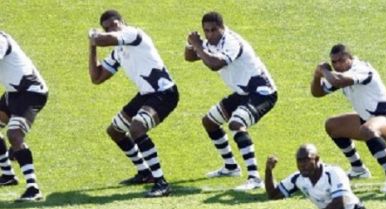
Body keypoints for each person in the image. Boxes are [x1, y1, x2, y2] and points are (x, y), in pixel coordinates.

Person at [88, 9, 178, 197]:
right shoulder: (118, 51)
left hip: (164, 92)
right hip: (146, 94)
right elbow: (96, 78)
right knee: (115, 131)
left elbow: (105, 39)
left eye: (114, 24)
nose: (112, 28)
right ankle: (145, 173)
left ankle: (161, 183)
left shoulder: (133, 34)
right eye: (107, 27)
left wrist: (96, 36)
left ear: (123, 21)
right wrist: (92, 46)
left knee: (137, 128)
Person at [186, 11, 277, 192]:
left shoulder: (231, 42)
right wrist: (191, 45)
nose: (210, 34)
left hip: (262, 92)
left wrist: (198, 45)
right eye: (206, 31)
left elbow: (214, 64)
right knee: (209, 122)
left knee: (237, 123)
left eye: (213, 30)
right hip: (243, 93)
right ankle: (231, 167)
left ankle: (254, 177)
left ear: (222, 28)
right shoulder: (209, 42)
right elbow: (190, 57)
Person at [311, 44, 386, 193]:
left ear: (350, 58)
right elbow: (317, 93)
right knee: (333, 126)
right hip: (369, 118)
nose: (337, 65)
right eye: (334, 62)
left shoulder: (361, 69)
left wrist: (324, 70)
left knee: (368, 129)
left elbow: (337, 81)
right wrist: (317, 76)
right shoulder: (339, 73)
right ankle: (358, 169)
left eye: (341, 60)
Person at [0, 31, 48, 201]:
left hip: (31, 92)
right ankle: (8, 175)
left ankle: (33, 189)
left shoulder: (1, 40)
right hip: (14, 92)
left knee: (14, 134)